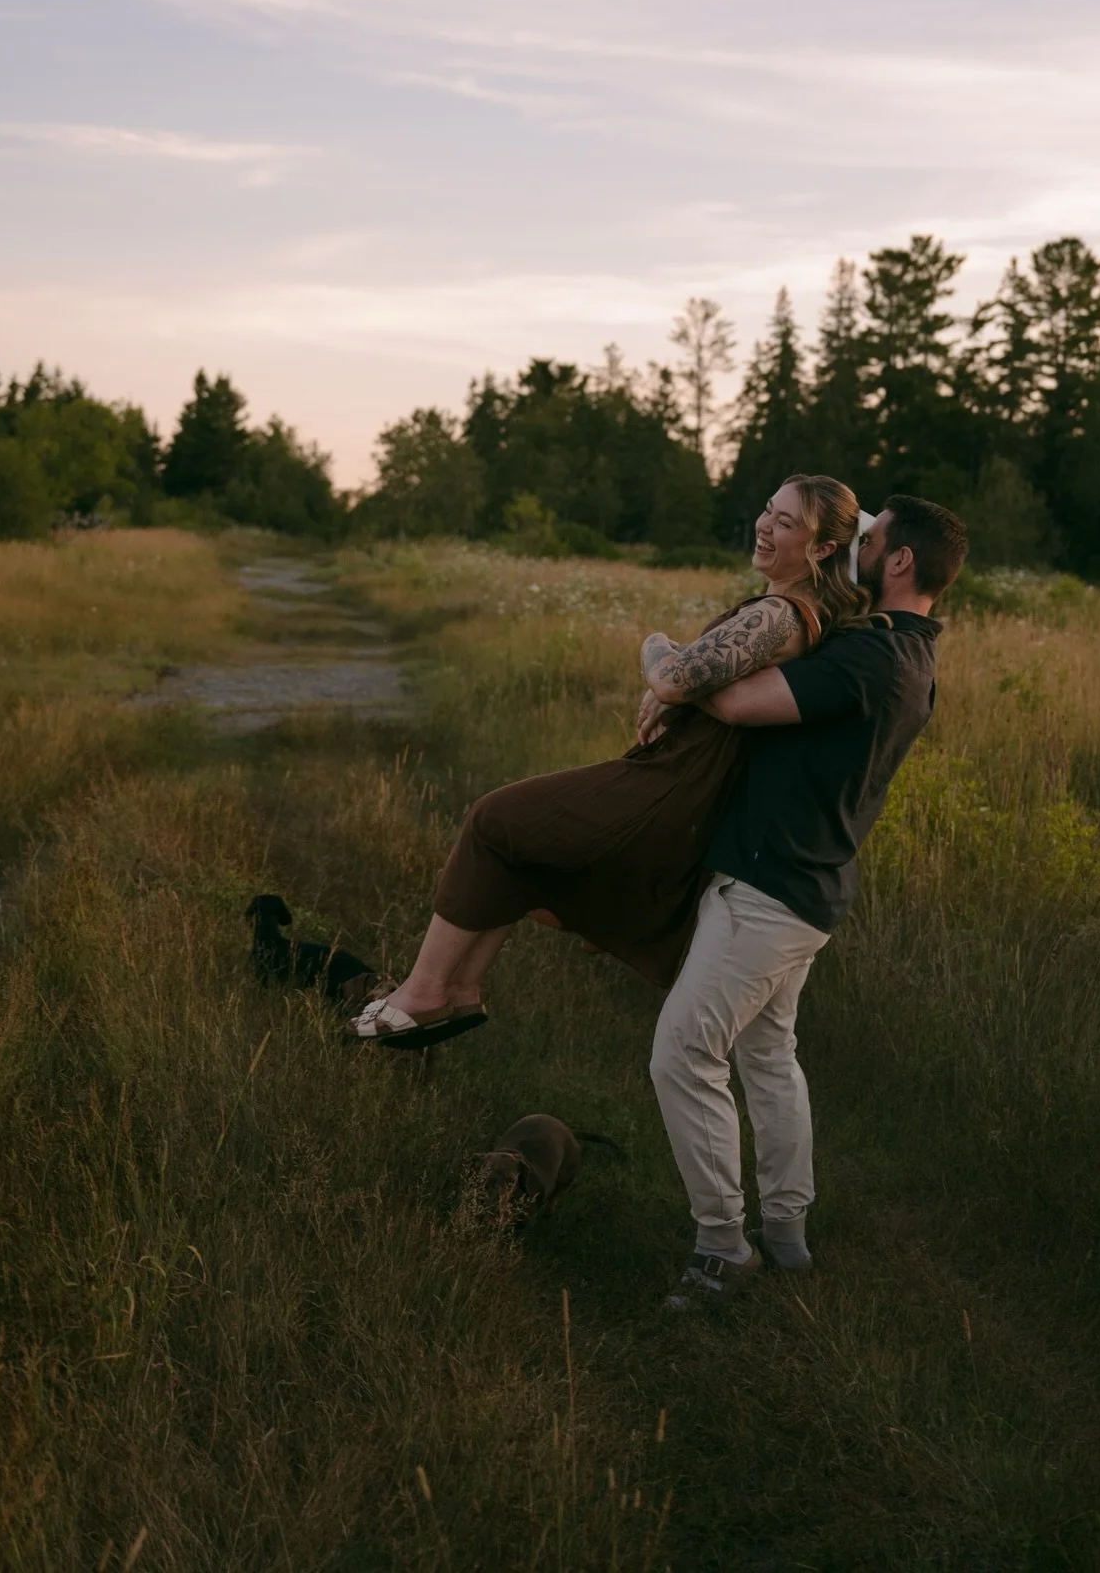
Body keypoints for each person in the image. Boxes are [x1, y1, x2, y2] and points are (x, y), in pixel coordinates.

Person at [343, 474, 872, 1050]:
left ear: (822, 548)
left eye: (786, 522)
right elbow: (698, 686)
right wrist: (683, 687)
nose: (765, 526)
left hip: (674, 783)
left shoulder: (781, 615)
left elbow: (674, 678)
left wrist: (658, 642)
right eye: (768, 511)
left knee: (495, 819)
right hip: (677, 773)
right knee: (522, 841)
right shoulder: (789, 609)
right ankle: (458, 992)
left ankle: (421, 995)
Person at [650, 493, 968, 1311]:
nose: (853, 545)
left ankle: (723, 1245)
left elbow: (727, 700)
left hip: (772, 889)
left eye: (869, 537)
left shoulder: (872, 660)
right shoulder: (905, 655)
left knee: (684, 1051)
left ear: (899, 562)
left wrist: (663, 651)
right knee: (766, 1054)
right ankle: (786, 1234)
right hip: (802, 884)